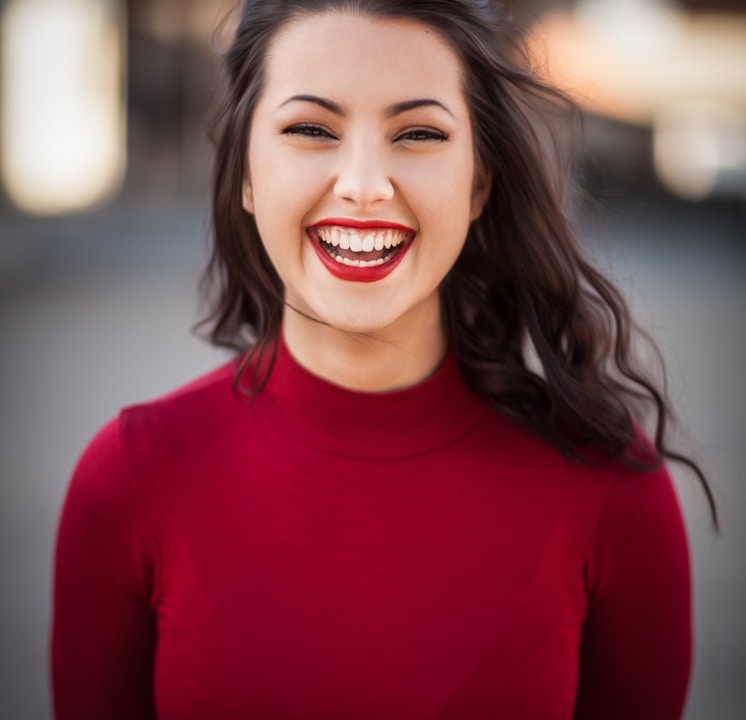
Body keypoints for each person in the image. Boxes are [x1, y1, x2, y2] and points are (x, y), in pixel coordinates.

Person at [52, 1, 717, 718]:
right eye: (311, 129)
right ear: (246, 174)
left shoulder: (612, 489)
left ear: (480, 184)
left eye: (420, 133)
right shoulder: (129, 480)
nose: (364, 186)